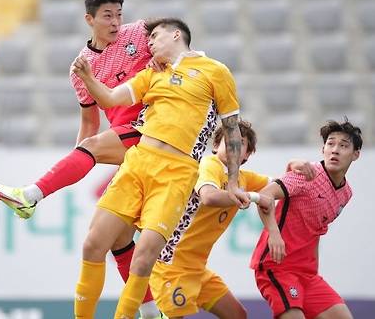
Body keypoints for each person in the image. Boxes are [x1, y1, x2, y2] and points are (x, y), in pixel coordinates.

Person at [0, 0, 162, 318]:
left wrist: (177, 46)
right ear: (89, 19)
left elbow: (171, 31)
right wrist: (77, 161)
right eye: (107, 15)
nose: (115, 22)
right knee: (113, 239)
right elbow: (88, 123)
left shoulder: (139, 33)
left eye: (118, 14)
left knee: (96, 161)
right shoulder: (81, 68)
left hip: (153, 130)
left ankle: (29, 196)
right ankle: (152, 313)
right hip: (126, 140)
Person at [71, 17, 249, 319]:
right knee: (92, 245)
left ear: (176, 34)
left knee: (143, 259)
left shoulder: (216, 72)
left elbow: (231, 129)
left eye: (154, 36)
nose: (149, 42)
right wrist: (88, 77)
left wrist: (232, 181)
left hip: (177, 173)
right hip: (139, 163)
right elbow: (110, 98)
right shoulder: (152, 74)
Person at [150, 121, 315, 319]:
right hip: (172, 265)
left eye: (241, 143)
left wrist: (292, 165)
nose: (233, 145)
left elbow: (281, 186)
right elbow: (209, 196)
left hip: (197, 269)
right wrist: (252, 196)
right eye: (228, 140)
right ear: (216, 145)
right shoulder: (211, 165)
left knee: (237, 315)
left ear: (247, 154)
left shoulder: (244, 179)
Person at [251, 119, 362, 319]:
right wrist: (274, 234)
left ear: (356, 155)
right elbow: (264, 196)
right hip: (277, 266)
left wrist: (313, 269)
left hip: (308, 275)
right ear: (323, 149)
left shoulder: (346, 193)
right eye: (330, 143)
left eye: (343, 145)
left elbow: (317, 230)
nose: (335, 150)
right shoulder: (306, 175)